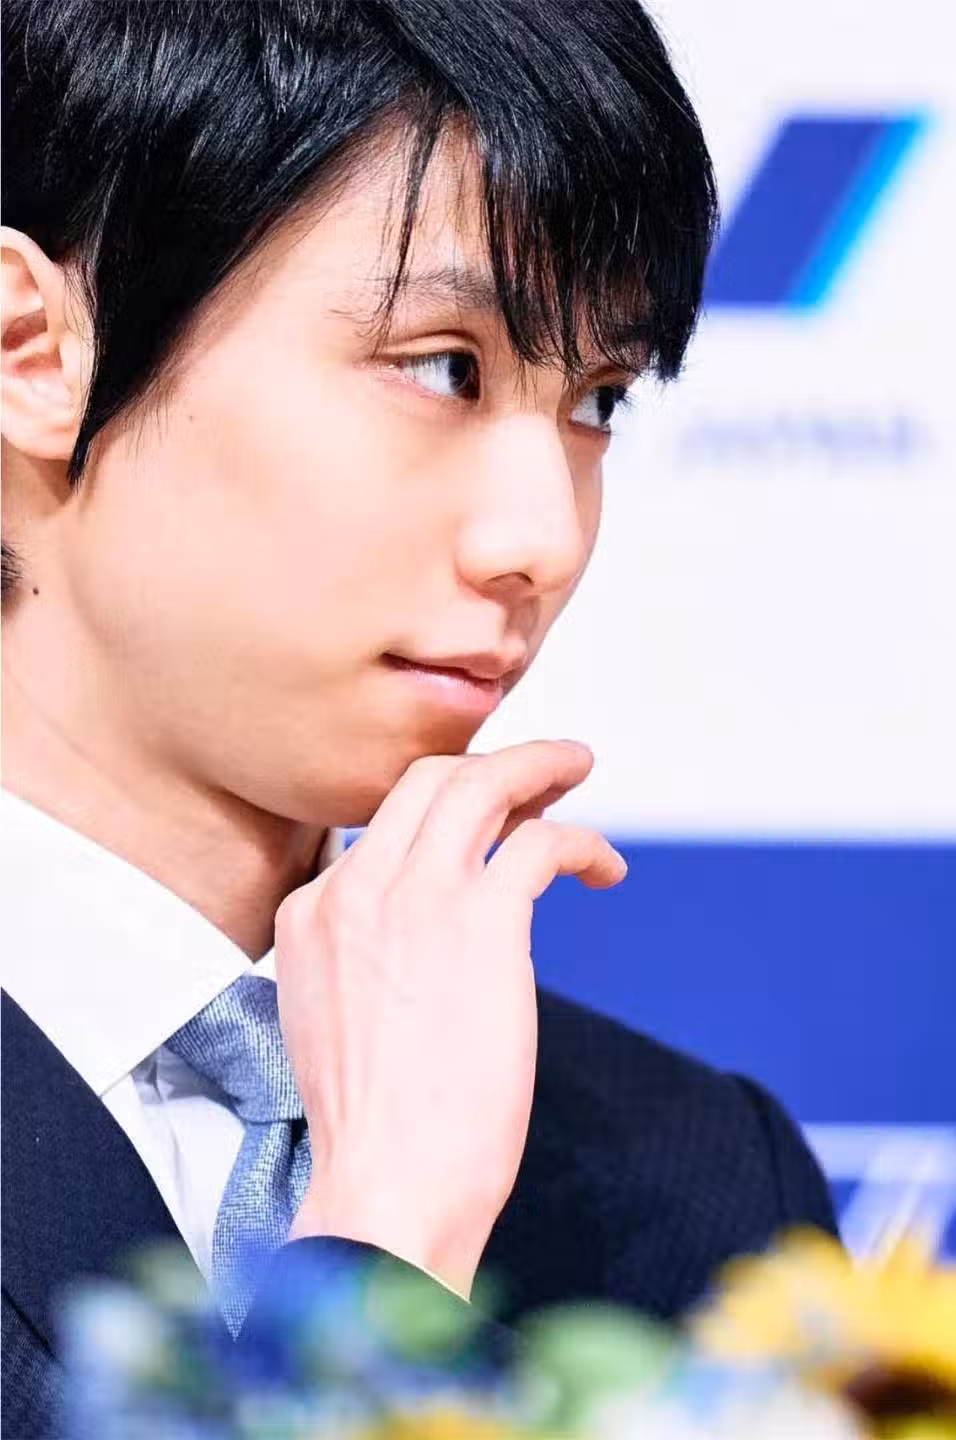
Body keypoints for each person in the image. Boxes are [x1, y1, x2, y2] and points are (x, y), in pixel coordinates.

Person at [1, 0, 837, 1433]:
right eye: (444, 367)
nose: (542, 537)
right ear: (34, 349)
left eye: (598, 401)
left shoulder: (696, 1179)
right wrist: (383, 1245)